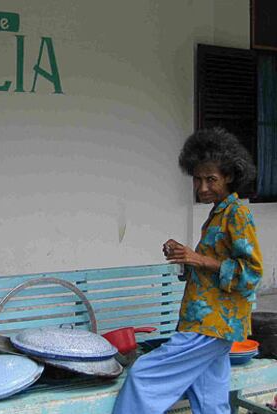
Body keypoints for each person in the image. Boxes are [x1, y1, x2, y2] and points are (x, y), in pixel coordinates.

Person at [113, 128, 263, 414]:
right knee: (210, 399)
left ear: (229, 177)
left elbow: (251, 274)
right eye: (198, 179)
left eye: (211, 179)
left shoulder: (237, 214)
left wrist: (198, 259)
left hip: (211, 324)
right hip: (208, 323)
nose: (202, 187)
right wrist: (185, 256)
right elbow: (210, 267)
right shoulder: (219, 213)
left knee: (143, 376)